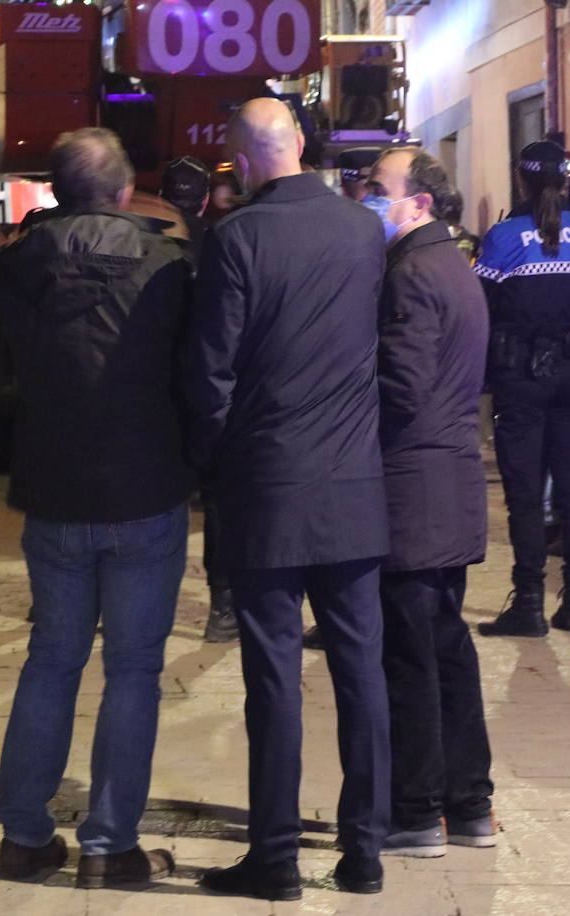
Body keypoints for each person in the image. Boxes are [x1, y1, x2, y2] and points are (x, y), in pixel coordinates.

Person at [0, 127, 191, 889]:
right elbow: (198, 378)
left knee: (52, 660)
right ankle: (108, 846)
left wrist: (29, 427)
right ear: (128, 193)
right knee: (133, 670)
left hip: (53, 494)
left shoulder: (11, 267)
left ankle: (25, 838)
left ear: (54, 193)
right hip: (146, 492)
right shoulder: (169, 266)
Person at [186, 98, 391, 901]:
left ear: (237, 155)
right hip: (352, 489)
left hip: (266, 487)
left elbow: (211, 373)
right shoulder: (362, 230)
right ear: (301, 143)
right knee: (360, 671)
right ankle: (364, 852)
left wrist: (209, 462)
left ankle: (273, 860)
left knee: (272, 678)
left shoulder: (236, 239)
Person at [363, 147, 496, 857]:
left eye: (377, 190)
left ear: (416, 203)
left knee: (410, 657)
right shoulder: (454, 266)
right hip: (449, 487)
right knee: (447, 651)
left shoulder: (411, 273)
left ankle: (414, 814)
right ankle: (468, 805)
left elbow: (401, 386)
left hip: (413, 494)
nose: (367, 200)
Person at [473, 140, 570, 638]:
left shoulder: (504, 236)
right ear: (564, 181)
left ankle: (528, 604)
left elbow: (481, 306)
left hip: (523, 376)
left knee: (525, 496)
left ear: (520, 180)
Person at [158, 156, 238, 643]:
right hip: (205, 387)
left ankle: (135, 598)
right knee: (218, 503)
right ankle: (222, 608)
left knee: (149, 499)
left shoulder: (145, 239)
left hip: (154, 390)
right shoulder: (220, 241)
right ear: (206, 199)